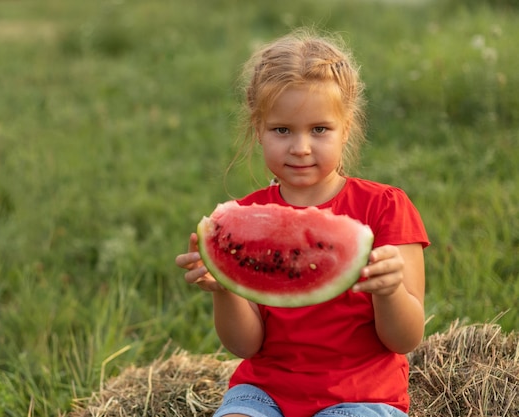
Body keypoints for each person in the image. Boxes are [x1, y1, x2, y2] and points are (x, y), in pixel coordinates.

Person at [175, 28, 429, 417]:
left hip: (362, 397)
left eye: (319, 130)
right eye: (282, 130)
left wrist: (390, 291)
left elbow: (405, 339)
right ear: (258, 129)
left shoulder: (385, 208)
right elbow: (246, 346)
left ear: (346, 129)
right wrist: (223, 288)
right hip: (263, 393)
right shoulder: (246, 220)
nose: (300, 147)